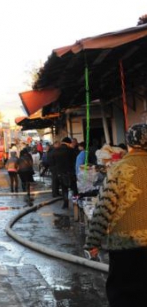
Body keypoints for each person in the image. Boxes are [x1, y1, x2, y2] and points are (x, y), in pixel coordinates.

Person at [84, 123, 147, 306]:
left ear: (129, 144)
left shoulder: (120, 169)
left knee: (124, 296)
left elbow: (104, 208)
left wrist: (92, 242)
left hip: (126, 246)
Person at [50, 137, 77, 208]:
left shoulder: (55, 151)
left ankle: (65, 203)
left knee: (64, 189)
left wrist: (56, 173)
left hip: (60, 174)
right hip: (71, 173)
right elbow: (75, 162)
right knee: (74, 189)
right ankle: (76, 204)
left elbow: (52, 163)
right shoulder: (71, 150)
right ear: (68, 143)